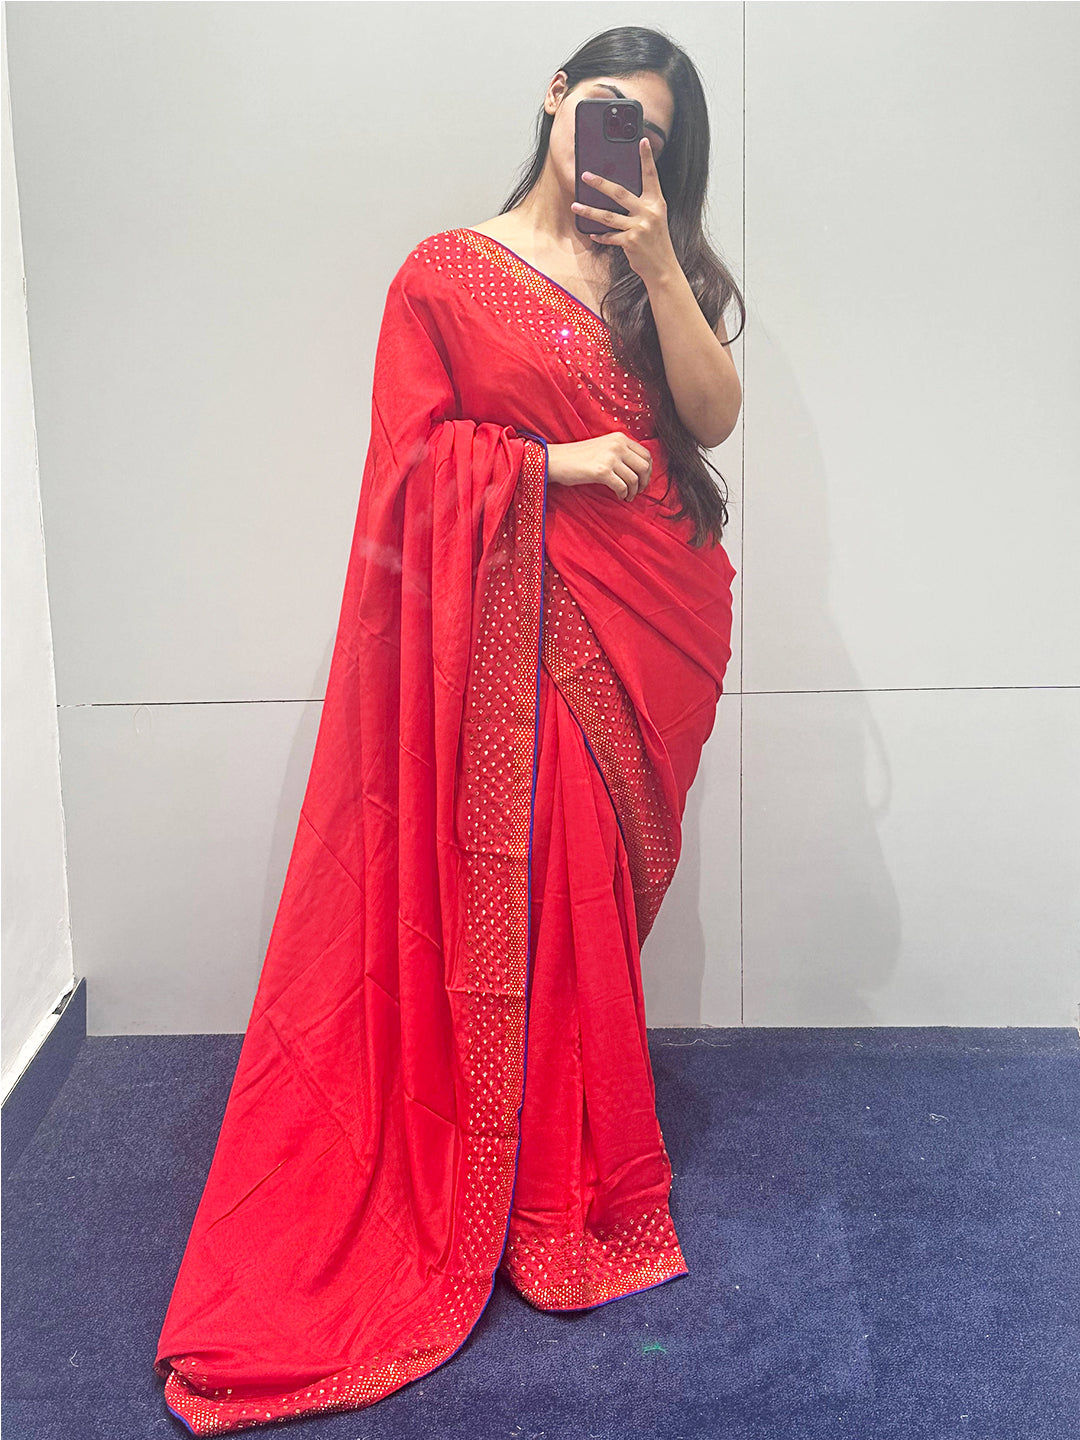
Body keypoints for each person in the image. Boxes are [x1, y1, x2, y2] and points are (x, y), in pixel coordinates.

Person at [154, 24, 744, 1435]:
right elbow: (411, 465)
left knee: (585, 889)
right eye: (610, 110)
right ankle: (538, 1183)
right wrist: (546, 466)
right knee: (544, 883)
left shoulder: (659, 266)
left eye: (655, 132)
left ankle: (564, 1169)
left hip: (653, 615)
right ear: (554, 97)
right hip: (522, 618)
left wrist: (662, 262)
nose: (627, 143)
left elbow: (713, 421)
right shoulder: (443, 274)